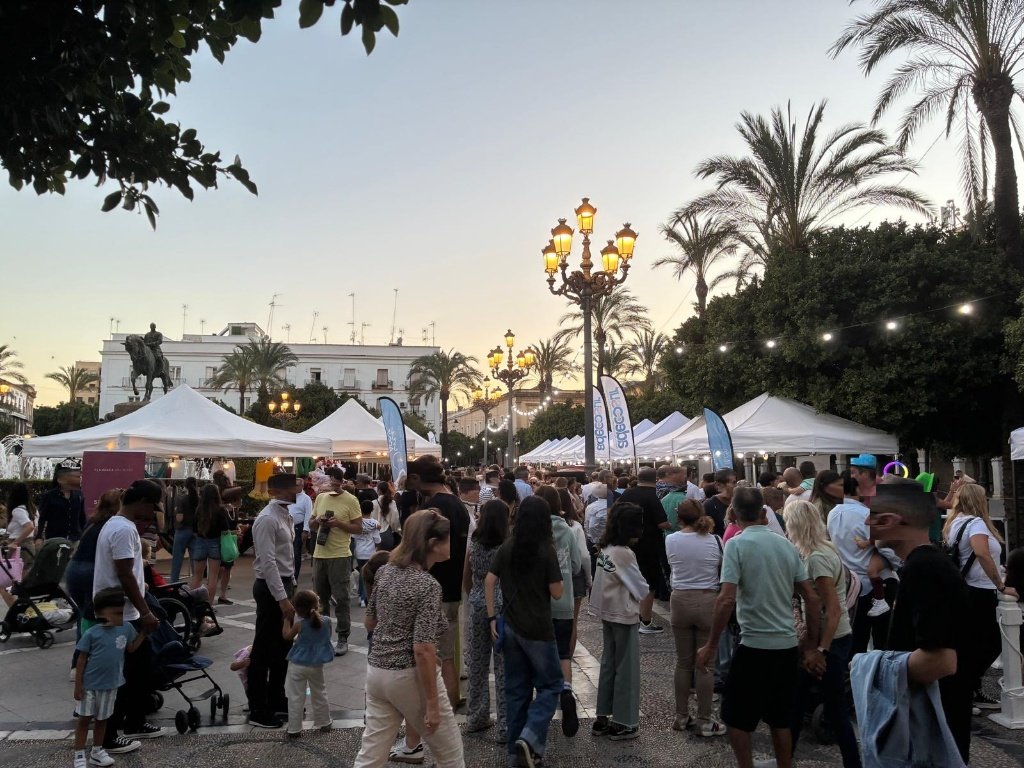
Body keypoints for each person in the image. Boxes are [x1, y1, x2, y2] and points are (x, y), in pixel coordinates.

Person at [697, 486, 822, 768]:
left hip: (754, 644)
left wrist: (712, 644)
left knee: (735, 717)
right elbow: (811, 598)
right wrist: (812, 646)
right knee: (780, 718)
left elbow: (726, 598)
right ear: (765, 513)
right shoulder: (786, 544)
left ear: (734, 514)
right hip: (787, 645)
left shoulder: (736, 545)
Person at [870, 479, 972, 764]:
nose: (865, 523)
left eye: (871, 515)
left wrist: (870, 666)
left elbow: (940, 661)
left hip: (932, 729)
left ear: (890, 519)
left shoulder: (923, 569)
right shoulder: (926, 563)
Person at [353, 510, 464, 768]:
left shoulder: (386, 571)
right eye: (449, 539)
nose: (453, 544)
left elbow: (370, 622)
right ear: (432, 544)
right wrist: (433, 703)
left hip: (378, 671)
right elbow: (423, 649)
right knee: (450, 754)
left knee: (371, 753)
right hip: (409, 675)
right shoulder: (427, 585)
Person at [485, 497, 563, 768]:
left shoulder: (508, 546)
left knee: (516, 691)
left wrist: (492, 616)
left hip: (512, 629)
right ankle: (529, 738)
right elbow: (557, 591)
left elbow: (489, 580)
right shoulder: (546, 549)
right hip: (539, 629)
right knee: (551, 685)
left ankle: (515, 753)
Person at [783, 501, 861, 768]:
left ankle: (852, 762)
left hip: (830, 640)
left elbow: (833, 608)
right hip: (833, 638)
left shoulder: (816, 558)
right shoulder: (826, 548)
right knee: (814, 705)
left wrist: (820, 650)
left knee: (830, 709)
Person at [92, 480, 165, 751]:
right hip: (119, 611)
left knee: (138, 671)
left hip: (121, 608)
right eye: (153, 507)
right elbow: (124, 573)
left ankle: (135, 721)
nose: (153, 513)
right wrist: (145, 611)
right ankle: (109, 737)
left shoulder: (116, 525)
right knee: (119, 676)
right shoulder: (123, 529)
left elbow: (128, 571)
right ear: (143, 503)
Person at [410, 457, 471, 709]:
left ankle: (440, 704)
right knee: (447, 653)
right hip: (454, 584)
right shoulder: (458, 504)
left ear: (419, 478)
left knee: (435, 653)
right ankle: (453, 699)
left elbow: (426, 549)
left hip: (434, 587)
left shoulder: (433, 510)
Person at [942, 482, 1008, 712]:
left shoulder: (955, 522)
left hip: (965, 588)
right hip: (980, 590)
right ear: (979, 500)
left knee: (971, 642)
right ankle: (965, 688)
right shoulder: (977, 523)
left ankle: (971, 688)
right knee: (990, 641)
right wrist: (999, 584)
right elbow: (981, 552)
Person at [666, 499, 725, 737]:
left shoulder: (671, 540)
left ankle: (681, 716)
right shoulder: (715, 540)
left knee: (683, 662)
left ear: (678, 517)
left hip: (680, 599)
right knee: (705, 665)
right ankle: (704, 719)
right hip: (707, 600)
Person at [73, 587, 151, 768]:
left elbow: (131, 648)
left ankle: (97, 751)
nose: (120, 616)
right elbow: (81, 660)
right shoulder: (92, 633)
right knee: (84, 719)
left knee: (103, 719)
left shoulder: (126, 628)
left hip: (112, 684)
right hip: (90, 685)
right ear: (100, 613)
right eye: (115, 612)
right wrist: (78, 685)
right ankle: (79, 755)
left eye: (121, 611)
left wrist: (144, 634)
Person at [590, 502, 649, 741]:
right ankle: (624, 721)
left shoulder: (606, 548)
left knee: (608, 664)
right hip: (623, 614)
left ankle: (602, 715)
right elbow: (641, 587)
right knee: (627, 669)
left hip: (606, 611)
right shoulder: (624, 553)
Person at [248, 473, 299, 729]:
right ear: (279, 490)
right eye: (294, 486)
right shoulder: (267, 519)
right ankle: (258, 707)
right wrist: (282, 599)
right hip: (270, 588)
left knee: (282, 647)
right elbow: (267, 562)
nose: (298, 489)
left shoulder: (285, 515)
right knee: (264, 647)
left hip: (285, 582)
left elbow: (287, 555)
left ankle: (276, 698)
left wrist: (292, 588)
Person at [827, 473, 896, 655]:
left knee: (857, 639)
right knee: (882, 640)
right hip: (875, 582)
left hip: (850, 583)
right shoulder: (865, 514)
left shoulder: (833, 513)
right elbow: (888, 547)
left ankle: (854, 677)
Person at [535, 486, 582, 737]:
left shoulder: (532, 533)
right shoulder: (568, 529)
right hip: (563, 602)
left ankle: (544, 701)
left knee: (540, 655)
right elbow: (576, 565)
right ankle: (566, 691)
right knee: (563, 654)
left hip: (539, 605)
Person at [461, 499, 509, 740]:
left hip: (478, 603)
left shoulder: (475, 543)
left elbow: (466, 576)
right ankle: (505, 725)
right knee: (503, 667)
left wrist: (475, 596)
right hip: (502, 606)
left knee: (477, 664)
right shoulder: (507, 545)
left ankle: (476, 717)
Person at [66, 490, 122, 677]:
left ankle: (78, 664)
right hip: (91, 571)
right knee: (93, 618)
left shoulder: (93, 520)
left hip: (74, 570)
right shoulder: (111, 525)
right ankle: (84, 664)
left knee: (85, 616)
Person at [308, 466, 363, 657]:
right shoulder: (321, 498)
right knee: (320, 600)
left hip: (339, 555)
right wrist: (318, 522)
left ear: (341, 481)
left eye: (334, 482)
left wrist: (338, 524)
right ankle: (324, 636)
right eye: (329, 481)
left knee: (341, 598)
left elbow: (358, 528)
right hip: (320, 554)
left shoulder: (351, 499)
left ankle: (342, 637)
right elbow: (311, 523)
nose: (331, 485)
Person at [618, 467, 669, 633]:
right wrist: (671, 525)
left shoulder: (627, 493)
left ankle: (628, 614)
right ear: (656, 480)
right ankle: (645, 621)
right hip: (648, 544)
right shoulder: (651, 496)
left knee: (628, 579)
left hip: (626, 543)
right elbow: (661, 523)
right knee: (649, 583)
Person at [282, 589, 334, 738]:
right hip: (316, 665)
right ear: (317, 605)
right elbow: (326, 638)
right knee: (319, 692)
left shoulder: (300, 625)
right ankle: (324, 722)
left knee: (295, 696)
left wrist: (286, 619)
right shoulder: (327, 621)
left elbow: (286, 636)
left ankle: (294, 728)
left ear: (297, 610)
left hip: (297, 664)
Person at [190, 484, 231, 595]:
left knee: (197, 576)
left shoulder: (199, 509)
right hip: (215, 542)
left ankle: (194, 604)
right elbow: (225, 529)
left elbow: (194, 528)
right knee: (212, 577)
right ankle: (208, 605)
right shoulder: (220, 509)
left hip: (200, 541)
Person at [36, 466, 86, 542]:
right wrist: (39, 536)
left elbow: (82, 517)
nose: (76, 479)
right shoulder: (49, 496)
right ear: (60, 480)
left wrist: (84, 534)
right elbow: (42, 518)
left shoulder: (78, 495)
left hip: (75, 538)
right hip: (55, 538)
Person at [353, 500, 382, 607]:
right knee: (368, 576)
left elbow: (353, 536)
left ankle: (361, 596)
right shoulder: (375, 523)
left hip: (359, 552)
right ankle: (367, 597)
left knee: (361, 574)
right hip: (370, 553)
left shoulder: (357, 522)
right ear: (372, 510)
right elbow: (377, 540)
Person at [170, 477, 198, 583]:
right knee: (195, 560)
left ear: (185, 486)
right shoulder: (199, 499)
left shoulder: (181, 499)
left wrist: (175, 513)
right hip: (195, 531)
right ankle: (196, 583)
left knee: (177, 558)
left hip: (182, 530)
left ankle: (174, 583)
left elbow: (179, 518)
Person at [289, 475, 313, 580]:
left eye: (296, 485)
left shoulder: (306, 499)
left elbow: (309, 514)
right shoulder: (289, 496)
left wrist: (306, 530)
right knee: (287, 551)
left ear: (302, 486)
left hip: (298, 527)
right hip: (286, 526)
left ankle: (295, 576)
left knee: (296, 552)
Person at [4, 482, 36, 558]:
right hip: (29, 545)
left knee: (15, 569)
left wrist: (15, 542)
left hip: (19, 547)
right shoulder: (32, 510)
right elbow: (35, 528)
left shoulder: (17, 511)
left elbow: (30, 527)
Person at [702, 469, 735, 538]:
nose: (735, 486)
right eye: (733, 483)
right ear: (718, 485)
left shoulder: (738, 502)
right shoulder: (709, 505)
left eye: (735, 483)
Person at [657, 465, 688, 532]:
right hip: (676, 530)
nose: (685, 476)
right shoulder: (671, 491)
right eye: (683, 474)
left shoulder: (657, 487)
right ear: (671, 474)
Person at [372, 481, 401, 551]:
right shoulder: (392, 502)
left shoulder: (373, 503)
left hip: (374, 534)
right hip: (387, 533)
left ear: (378, 490)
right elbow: (395, 520)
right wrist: (398, 530)